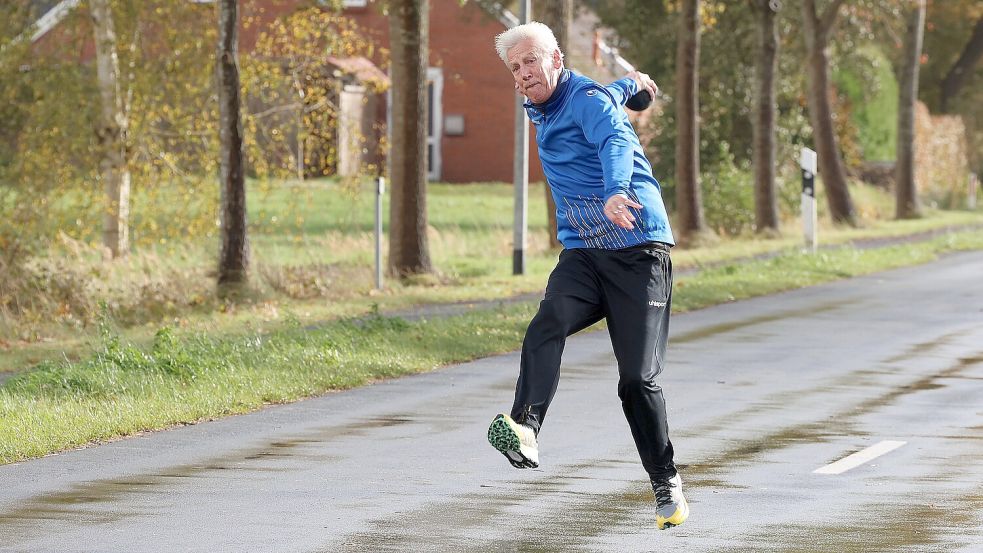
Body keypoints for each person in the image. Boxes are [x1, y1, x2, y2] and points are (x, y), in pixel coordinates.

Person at [485, 22, 688, 530]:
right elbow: (613, 93)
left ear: (556, 58)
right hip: (583, 255)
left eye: (531, 61)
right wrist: (634, 86)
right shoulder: (548, 101)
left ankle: (665, 481)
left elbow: (614, 140)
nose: (524, 73)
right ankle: (526, 428)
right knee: (547, 322)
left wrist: (616, 190)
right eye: (515, 68)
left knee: (636, 381)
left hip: (639, 250)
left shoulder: (586, 102)